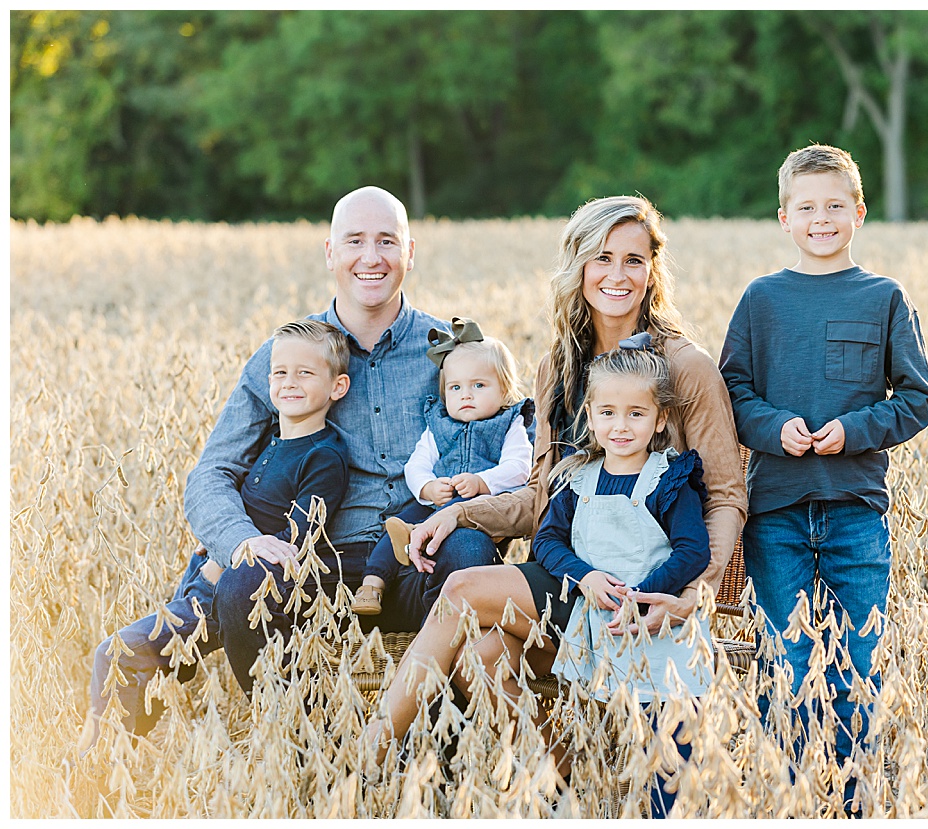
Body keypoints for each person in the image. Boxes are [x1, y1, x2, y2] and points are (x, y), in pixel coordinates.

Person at [365, 196, 747, 795]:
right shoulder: (557, 371)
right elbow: (544, 498)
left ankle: (364, 759)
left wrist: (697, 592)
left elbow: (724, 495)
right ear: (577, 266)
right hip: (573, 573)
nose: (617, 275)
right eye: (602, 258)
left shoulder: (684, 368)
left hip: (642, 585)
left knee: (462, 590)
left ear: (653, 270)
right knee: (483, 652)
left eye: (633, 260)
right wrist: (460, 512)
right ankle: (557, 772)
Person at [87, 186, 498, 724]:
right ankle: (296, 739)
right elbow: (212, 473)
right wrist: (243, 543)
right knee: (243, 579)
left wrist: (469, 506)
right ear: (330, 253)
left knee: (468, 551)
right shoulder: (289, 358)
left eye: (387, 242)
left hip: (415, 558)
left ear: (410, 252)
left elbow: (506, 440)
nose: (370, 257)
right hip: (313, 564)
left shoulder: (451, 353)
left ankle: (444, 748)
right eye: (354, 241)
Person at [718, 144, 928, 814]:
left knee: (859, 665)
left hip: (854, 511)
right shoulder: (762, 300)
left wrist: (856, 430)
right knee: (783, 665)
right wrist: (770, 425)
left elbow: (917, 397)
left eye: (835, 205)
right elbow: (732, 389)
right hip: (777, 511)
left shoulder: (883, 298)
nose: (822, 218)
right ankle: (787, 797)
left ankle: (855, 798)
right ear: (783, 217)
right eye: (807, 207)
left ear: (859, 213)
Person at [86, 318, 352, 740]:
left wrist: (228, 564)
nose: (290, 383)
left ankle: (97, 755)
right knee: (129, 661)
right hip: (206, 576)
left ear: (337, 387)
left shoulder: (324, 456)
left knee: (118, 655)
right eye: (280, 373)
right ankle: (118, 749)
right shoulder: (271, 438)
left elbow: (301, 539)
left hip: (240, 588)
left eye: (305, 373)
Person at [536, 345, 713, 818]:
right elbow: (547, 543)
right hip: (601, 632)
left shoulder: (668, 478)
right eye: (608, 412)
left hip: (660, 631)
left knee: (669, 753)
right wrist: (584, 575)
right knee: (603, 744)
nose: (621, 426)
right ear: (590, 417)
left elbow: (694, 549)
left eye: (636, 413)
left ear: (659, 420)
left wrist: (642, 595)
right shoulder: (577, 480)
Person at [351, 318, 533, 615]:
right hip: (438, 502)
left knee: (455, 543)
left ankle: (418, 540)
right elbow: (417, 463)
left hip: (478, 510)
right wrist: (428, 487)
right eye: (456, 387)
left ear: (503, 391)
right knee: (395, 526)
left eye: (479, 385)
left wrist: (481, 482)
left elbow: (519, 467)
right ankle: (372, 584)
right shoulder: (439, 425)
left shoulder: (509, 424)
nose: (466, 395)